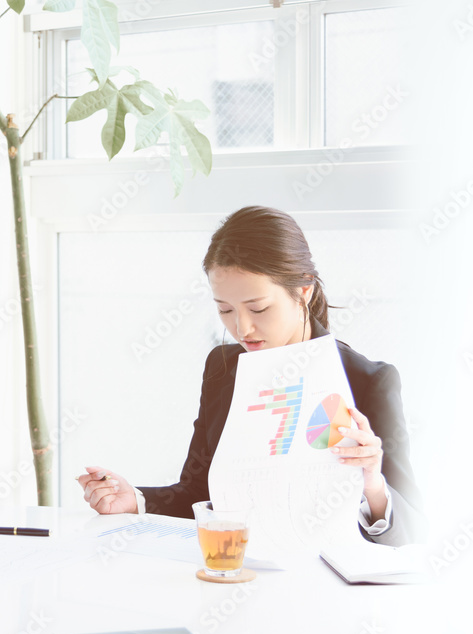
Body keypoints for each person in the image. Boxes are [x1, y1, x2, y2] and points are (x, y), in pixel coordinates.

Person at [77, 206, 425, 546]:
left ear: (304, 291)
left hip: (324, 577)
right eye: (225, 309)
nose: (242, 328)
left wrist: (373, 484)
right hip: (234, 568)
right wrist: (135, 501)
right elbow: (201, 494)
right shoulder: (223, 368)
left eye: (258, 308)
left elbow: (413, 534)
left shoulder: (367, 381)